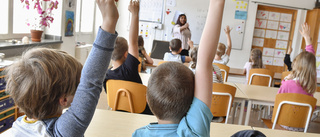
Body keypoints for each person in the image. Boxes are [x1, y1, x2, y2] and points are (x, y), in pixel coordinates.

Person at [1, 0, 119, 136]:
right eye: (77, 88)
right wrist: (109, 21)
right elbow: (90, 82)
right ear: (63, 100)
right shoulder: (60, 132)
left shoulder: (19, 125)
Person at [132, 0, 225, 136]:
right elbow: (204, 63)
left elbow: (204, 63)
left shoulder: (138, 134)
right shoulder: (193, 132)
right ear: (193, 101)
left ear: (147, 99)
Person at [103, 0, 152, 115]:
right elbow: (133, 41)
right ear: (126, 54)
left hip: (119, 113)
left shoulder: (106, 77)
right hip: (142, 113)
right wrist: (135, 14)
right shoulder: (129, 69)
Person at [278, 23, 316, 132]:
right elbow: (310, 60)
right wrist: (307, 39)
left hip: (284, 123)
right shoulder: (312, 83)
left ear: (295, 66)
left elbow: (278, 101)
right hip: (302, 126)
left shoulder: (287, 84)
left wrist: (285, 80)